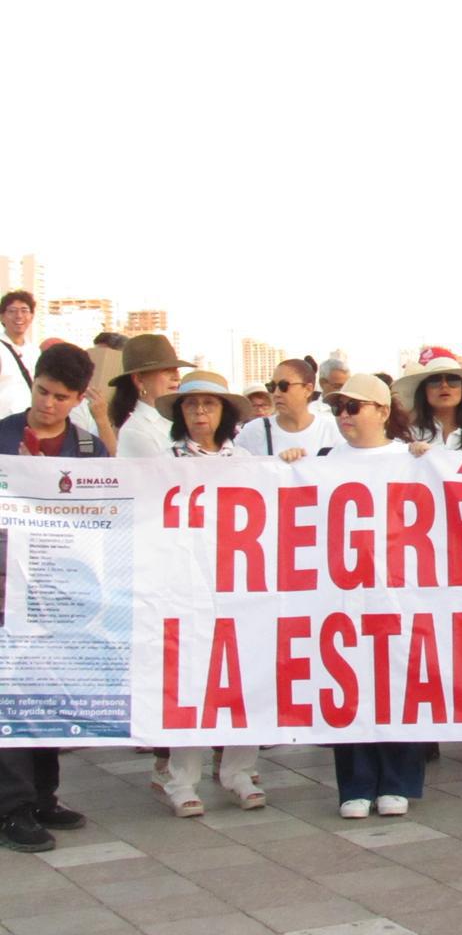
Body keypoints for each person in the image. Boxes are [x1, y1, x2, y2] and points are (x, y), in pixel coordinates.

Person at [0, 344, 107, 852]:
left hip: (59, 593)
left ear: (78, 398)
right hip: (5, 592)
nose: (47, 404)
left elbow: (107, 520)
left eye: (60, 397)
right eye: (41, 392)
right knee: (9, 698)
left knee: (46, 696)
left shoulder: (88, 450)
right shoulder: (1, 434)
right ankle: (13, 808)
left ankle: (44, 795)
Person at [307, 374, 429, 817]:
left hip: (398, 592)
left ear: (381, 410)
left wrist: (433, 461)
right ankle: (355, 784)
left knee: (398, 682)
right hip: (342, 595)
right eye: (338, 408)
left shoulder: (412, 459)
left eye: (353, 407)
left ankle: (397, 781)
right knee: (348, 683)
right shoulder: (322, 460)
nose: (343, 416)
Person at [152, 372, 264, 816]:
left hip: (240, 580)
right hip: (185, 583)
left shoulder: (248, 460)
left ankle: (239, 769)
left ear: (224, 413)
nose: (199, 412)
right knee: (190, 681)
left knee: (244, 678)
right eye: (191, 404)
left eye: (209, 404)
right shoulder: (163, 461)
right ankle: (182, 779)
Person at [393, 357, 462, 767]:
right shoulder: (406, 434)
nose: (443, 387)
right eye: (435, 381)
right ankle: (430, 730)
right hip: (423, 546)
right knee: (430, 639)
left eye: (451, 380)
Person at [234, 358, 341, 458]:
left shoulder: (331, 430)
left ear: (308, 389)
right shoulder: (253, 431)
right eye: (272, 386)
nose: (276, 393)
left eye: (283, 386)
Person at [394, 356, 462, 453]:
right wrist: (407, 451)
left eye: (453, 380)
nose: (444, 385)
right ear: (424, 391)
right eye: (434, 381)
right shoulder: (406, 434)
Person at [110, 335, 192, 457]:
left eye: (176, 370)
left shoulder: (178, 419)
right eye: (166, 370)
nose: (176, 377)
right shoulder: (136, 430)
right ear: (139, 380)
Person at [0, 290, 39, 419]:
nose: (19, 315)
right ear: (2, 317)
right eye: (12, 311)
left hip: (28, 422)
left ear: (32, 316)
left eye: (24, 310)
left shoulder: (35, 351)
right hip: (4, 424)